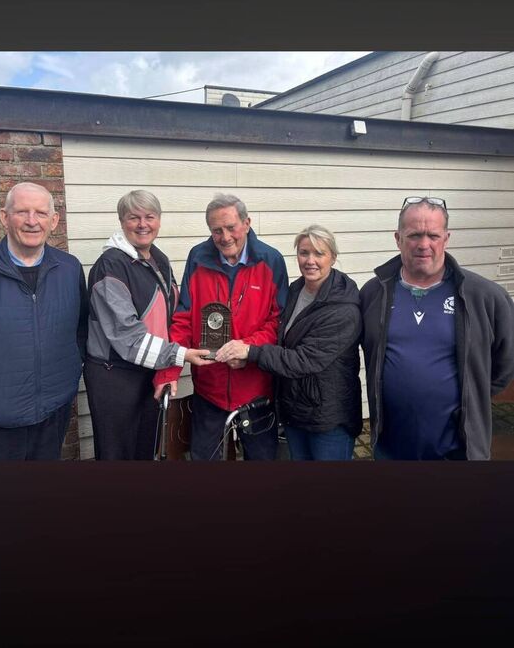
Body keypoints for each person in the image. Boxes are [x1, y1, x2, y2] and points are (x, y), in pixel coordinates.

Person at [360, 195, 514, 461]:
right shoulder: (373, 293)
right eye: (414, 235)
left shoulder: (485, 296)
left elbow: (506, 361)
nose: (423, 244)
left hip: (459, 452)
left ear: (446, 238)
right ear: (398, 238)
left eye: (433, 235)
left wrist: (472, 393)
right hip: (391, 448)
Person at [154, 193, 289, 460]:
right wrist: (169, 371)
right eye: (217, 230)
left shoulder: (270, 261)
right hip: (209, 387)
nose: (225, 237)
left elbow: (278, 322)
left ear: (247, 223)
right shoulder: (198, 258)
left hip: (255, 386)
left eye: (231, 227)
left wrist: (248, 350)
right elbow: (184, 319)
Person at [215, 225, 363, 460]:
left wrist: (250, 351)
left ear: (333, 257)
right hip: (295, 410)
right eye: (304, 252)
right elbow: (280, 340)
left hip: (327, 417)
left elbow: (302, 360)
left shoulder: (343, 309)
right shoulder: (295, 290)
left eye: (319, 253)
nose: (310, 260)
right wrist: (247, 356)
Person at [85, 189, 210, 460]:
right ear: (121, 221)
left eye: (149, 217)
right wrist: (179, 355)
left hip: (149, 370)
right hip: (115, 375)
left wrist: (168, 368)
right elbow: (127, 337)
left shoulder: (159, 259)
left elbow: (173, 316)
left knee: (145, 449)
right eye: (134, 218)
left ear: (159, 221)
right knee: (117, 455)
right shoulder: (111, 266)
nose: (143, 224)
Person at [0, 182, 87, 461]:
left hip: (52, 414)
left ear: (54, 220)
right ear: (4, 217)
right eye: (22, 212)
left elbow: (81, 328)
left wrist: (69, 374)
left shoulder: (70, 269)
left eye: (41, 213)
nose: (32, 221)